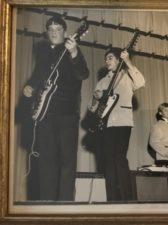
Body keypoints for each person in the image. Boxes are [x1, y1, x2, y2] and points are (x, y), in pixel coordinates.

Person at [23, 16, 89, 201]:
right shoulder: (44, 55)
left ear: (65, 33)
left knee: (67, 161)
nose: (54, 32)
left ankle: (65, 204)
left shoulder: (72, 51)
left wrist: (74, 52)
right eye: (50, 29)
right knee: (46, 162)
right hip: (45, 115)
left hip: (67, 113)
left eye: (58, 29)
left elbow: (83, 73)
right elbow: (37, 78)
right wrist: (30, 87)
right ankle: (46, 202)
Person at [88, 48, 145, 201]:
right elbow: (93, 108)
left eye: (111, 58)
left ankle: (126, 198)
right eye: (106, 59)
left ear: (118, 60)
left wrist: (128, 62)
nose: (107, 61)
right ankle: (112, 199)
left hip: (122, 123)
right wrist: (96, 98)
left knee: (120, 158)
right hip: (105, 125)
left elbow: (141, 82)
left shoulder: (126, 77)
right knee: (108, 161)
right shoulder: (102, 82)